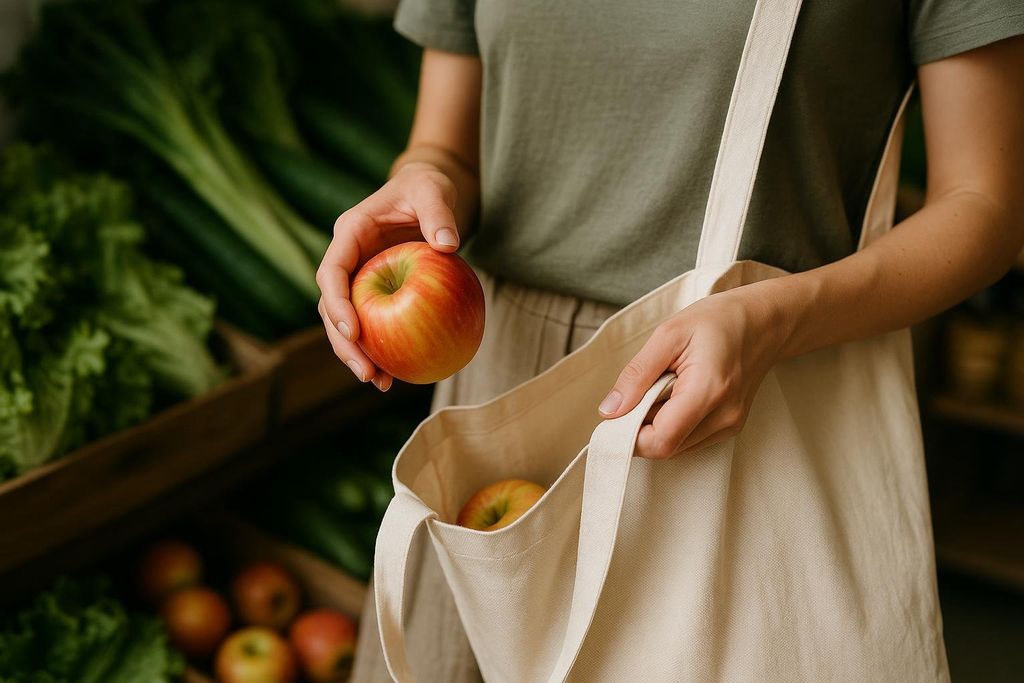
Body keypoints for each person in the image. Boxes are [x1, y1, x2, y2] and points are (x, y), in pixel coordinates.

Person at [317, 1, 1024, 679]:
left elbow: (986, 206)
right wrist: (423, 184)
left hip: (742, 399)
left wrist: (777, 318)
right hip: (499, 385)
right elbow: (446, 146)